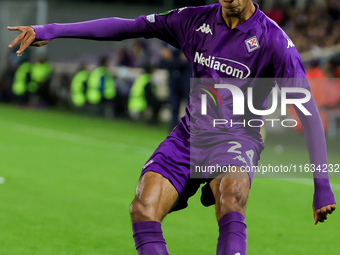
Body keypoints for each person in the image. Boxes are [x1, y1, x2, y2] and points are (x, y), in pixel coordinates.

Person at [8, 1, 336, 254]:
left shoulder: (274, 41)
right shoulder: (193, 20)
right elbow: (127, 27)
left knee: (232, 195)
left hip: (238, 136)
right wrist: (52, 28)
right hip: (189, 135)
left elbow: (306, 111)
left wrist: (322, 183)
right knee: (143, 206)